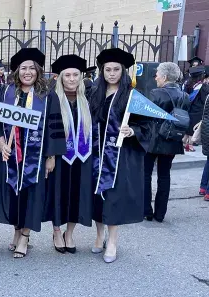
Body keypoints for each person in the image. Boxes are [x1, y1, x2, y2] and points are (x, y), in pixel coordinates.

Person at [0, 48, 66, 258]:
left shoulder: (46, 95)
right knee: (14, 194)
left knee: (32, 195)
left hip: (36, 155)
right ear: (17, 71)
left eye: (32, 68)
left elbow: (54, 126)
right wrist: (0, 141)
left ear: (38, 71)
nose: (27, 72)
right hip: (10, 155)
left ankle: (25, 236)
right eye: (23, 68)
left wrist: (51, 156)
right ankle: (16, 231)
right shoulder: (6, 92)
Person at [89, 48, 151, 263]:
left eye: (116, 69)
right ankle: (99, 236)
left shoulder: (132, 96)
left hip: (118, 157)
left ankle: (113, 241)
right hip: (95, 155)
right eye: (108, 69)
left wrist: (134, 131)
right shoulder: (94, 92)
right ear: (102, 71)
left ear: (123, 71)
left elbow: (147, 124)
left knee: (113, 198)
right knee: (96, 197)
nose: (112, 73)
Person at [46, 55, 93, 254]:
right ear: (60, 77)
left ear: (81, 77)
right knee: (57, 193)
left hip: (83, 156)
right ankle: (57, 231)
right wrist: (49, 156)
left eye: (76, 75)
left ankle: (70, 233)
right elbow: (47, 129)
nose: (72, 79)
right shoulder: (51, 98)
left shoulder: (88, 98)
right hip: (59, 157)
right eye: (68, 75)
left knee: (77, 194)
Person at [144, 62, 190, 222]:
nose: (155, 77)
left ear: (164, 77)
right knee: (164, 175)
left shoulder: (155, 93)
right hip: (173, 139)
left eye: (157, 74)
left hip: (154, 139)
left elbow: (147, 117)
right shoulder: (184, 95)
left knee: (146, 175)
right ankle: (160, 213)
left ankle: (146, 211)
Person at [184, 66, 209, 152]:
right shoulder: (202, 87)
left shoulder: (187, 83)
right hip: (198, 110)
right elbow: (204, 99)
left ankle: (184, 142)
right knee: (194, 127)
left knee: (188, 126)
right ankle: (190, 145)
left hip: (188, 108)